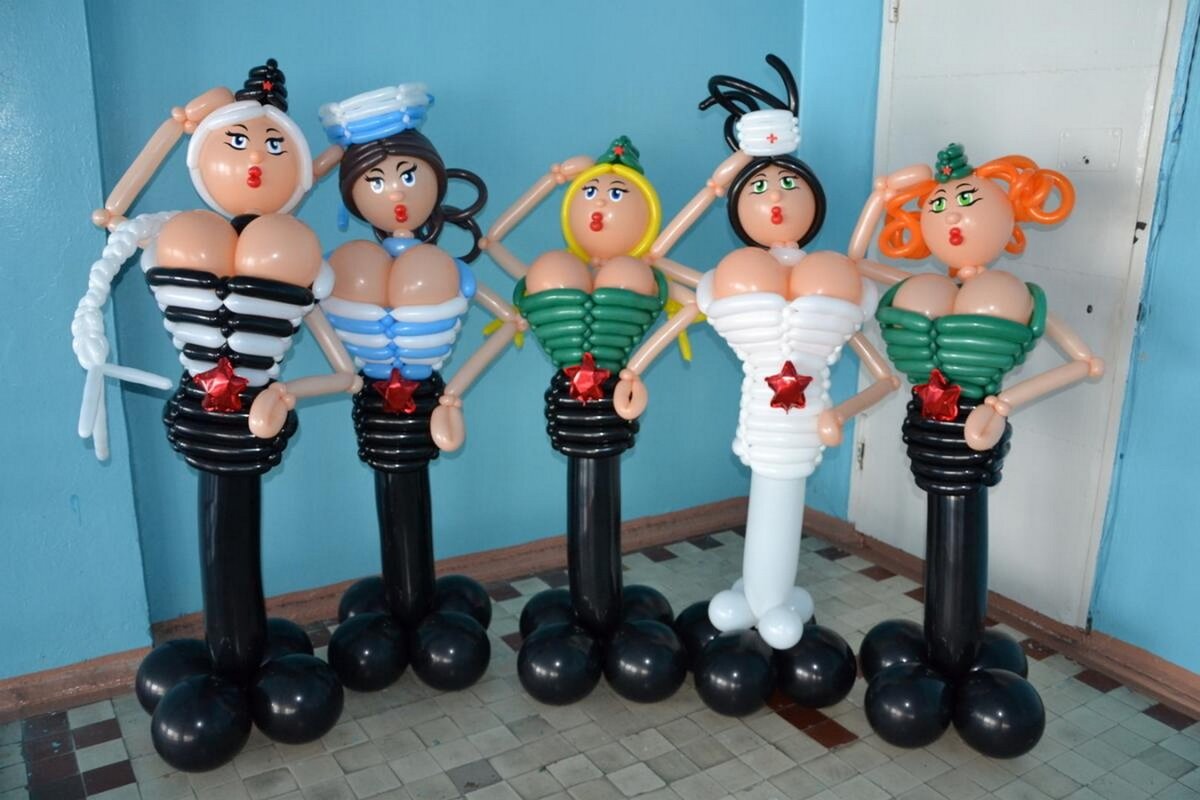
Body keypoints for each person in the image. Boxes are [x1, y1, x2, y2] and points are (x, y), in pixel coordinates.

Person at [72, 59, 356, 772]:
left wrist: (287, 393)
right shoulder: (177, 231)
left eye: (274, 146)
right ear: (206, 152)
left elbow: (346, 372)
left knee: (236, 528)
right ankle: (227, 654)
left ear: (298, 167)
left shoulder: (295, 253)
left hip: (257, 415)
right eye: (237, 142)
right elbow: (111, 214)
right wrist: (177, 123)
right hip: (202, 413)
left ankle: (244, 650)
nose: (256, 159)